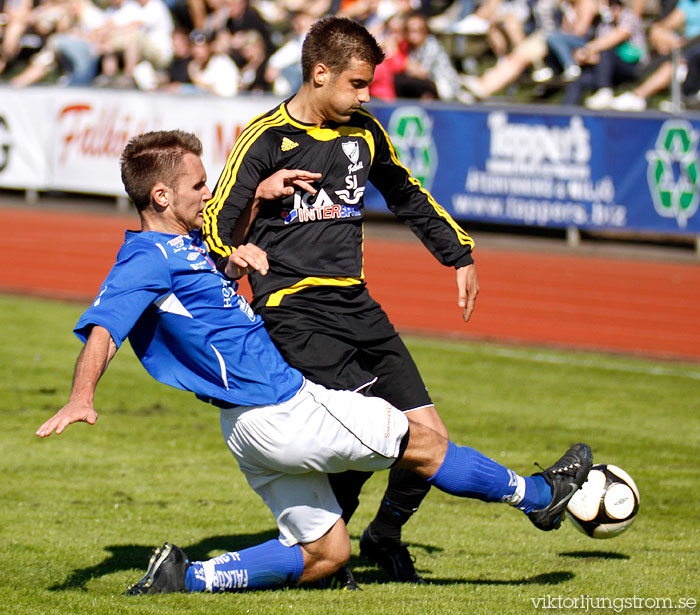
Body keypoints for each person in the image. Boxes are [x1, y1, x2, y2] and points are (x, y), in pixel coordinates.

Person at [35, 129, 593, 595]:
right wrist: (82, 396)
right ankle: (542, 497)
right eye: (198, 184)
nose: (208, 193)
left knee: (326, 554)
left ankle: (188, 577)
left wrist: (255, 207)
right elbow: (106, 326)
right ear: (161, 196)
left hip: (246, 429)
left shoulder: (180, 248)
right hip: (283, 407)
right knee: (425, 443)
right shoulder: (143, 258)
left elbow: (202, 303)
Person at [201, 15, 478, 584]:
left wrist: (458, 253)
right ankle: (325, 550)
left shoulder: (365, 133)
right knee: (373, 436)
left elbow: (406, 192)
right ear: (320, 74)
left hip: (358, 305)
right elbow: (217, 223)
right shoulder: (264, 138)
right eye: (357, 84)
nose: (366, 95)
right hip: (294, 311)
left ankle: (383, 534)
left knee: (433, 440)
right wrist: (242, 235)